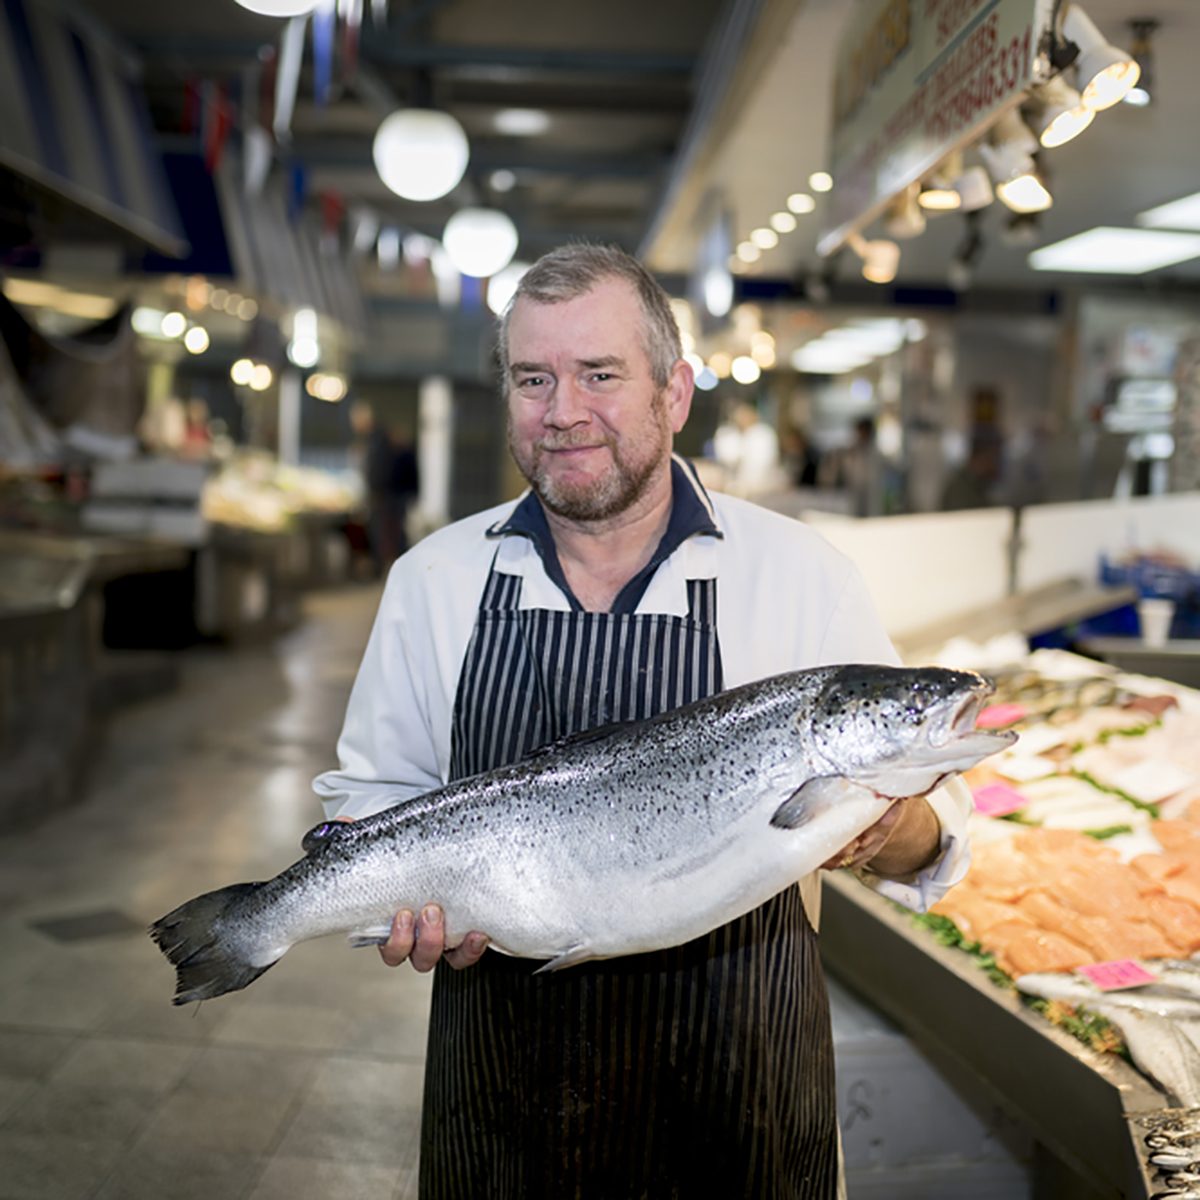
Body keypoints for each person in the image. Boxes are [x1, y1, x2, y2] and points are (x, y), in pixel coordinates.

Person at [313, 244, 971, 1199]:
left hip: (740, 1098)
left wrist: (888, 829)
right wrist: (396, 913)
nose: (563, 411)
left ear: (676, 393)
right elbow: (376, 799)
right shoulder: (436, 581)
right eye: (533, 378)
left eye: (601, 375)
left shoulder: (798, 575)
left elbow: (937, 844)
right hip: (503, 1109)